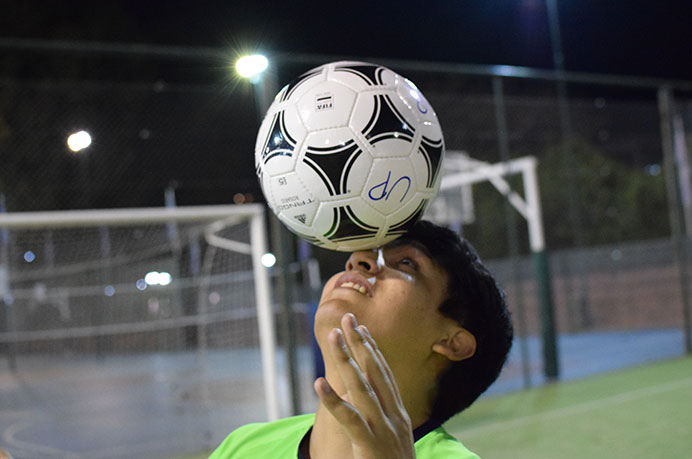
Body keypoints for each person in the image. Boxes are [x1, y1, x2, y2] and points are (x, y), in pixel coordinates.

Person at [210, 220, 513, 458]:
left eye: (407, 263)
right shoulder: (243, 446)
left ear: (452, 342)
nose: (359, 260)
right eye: (364, 254)